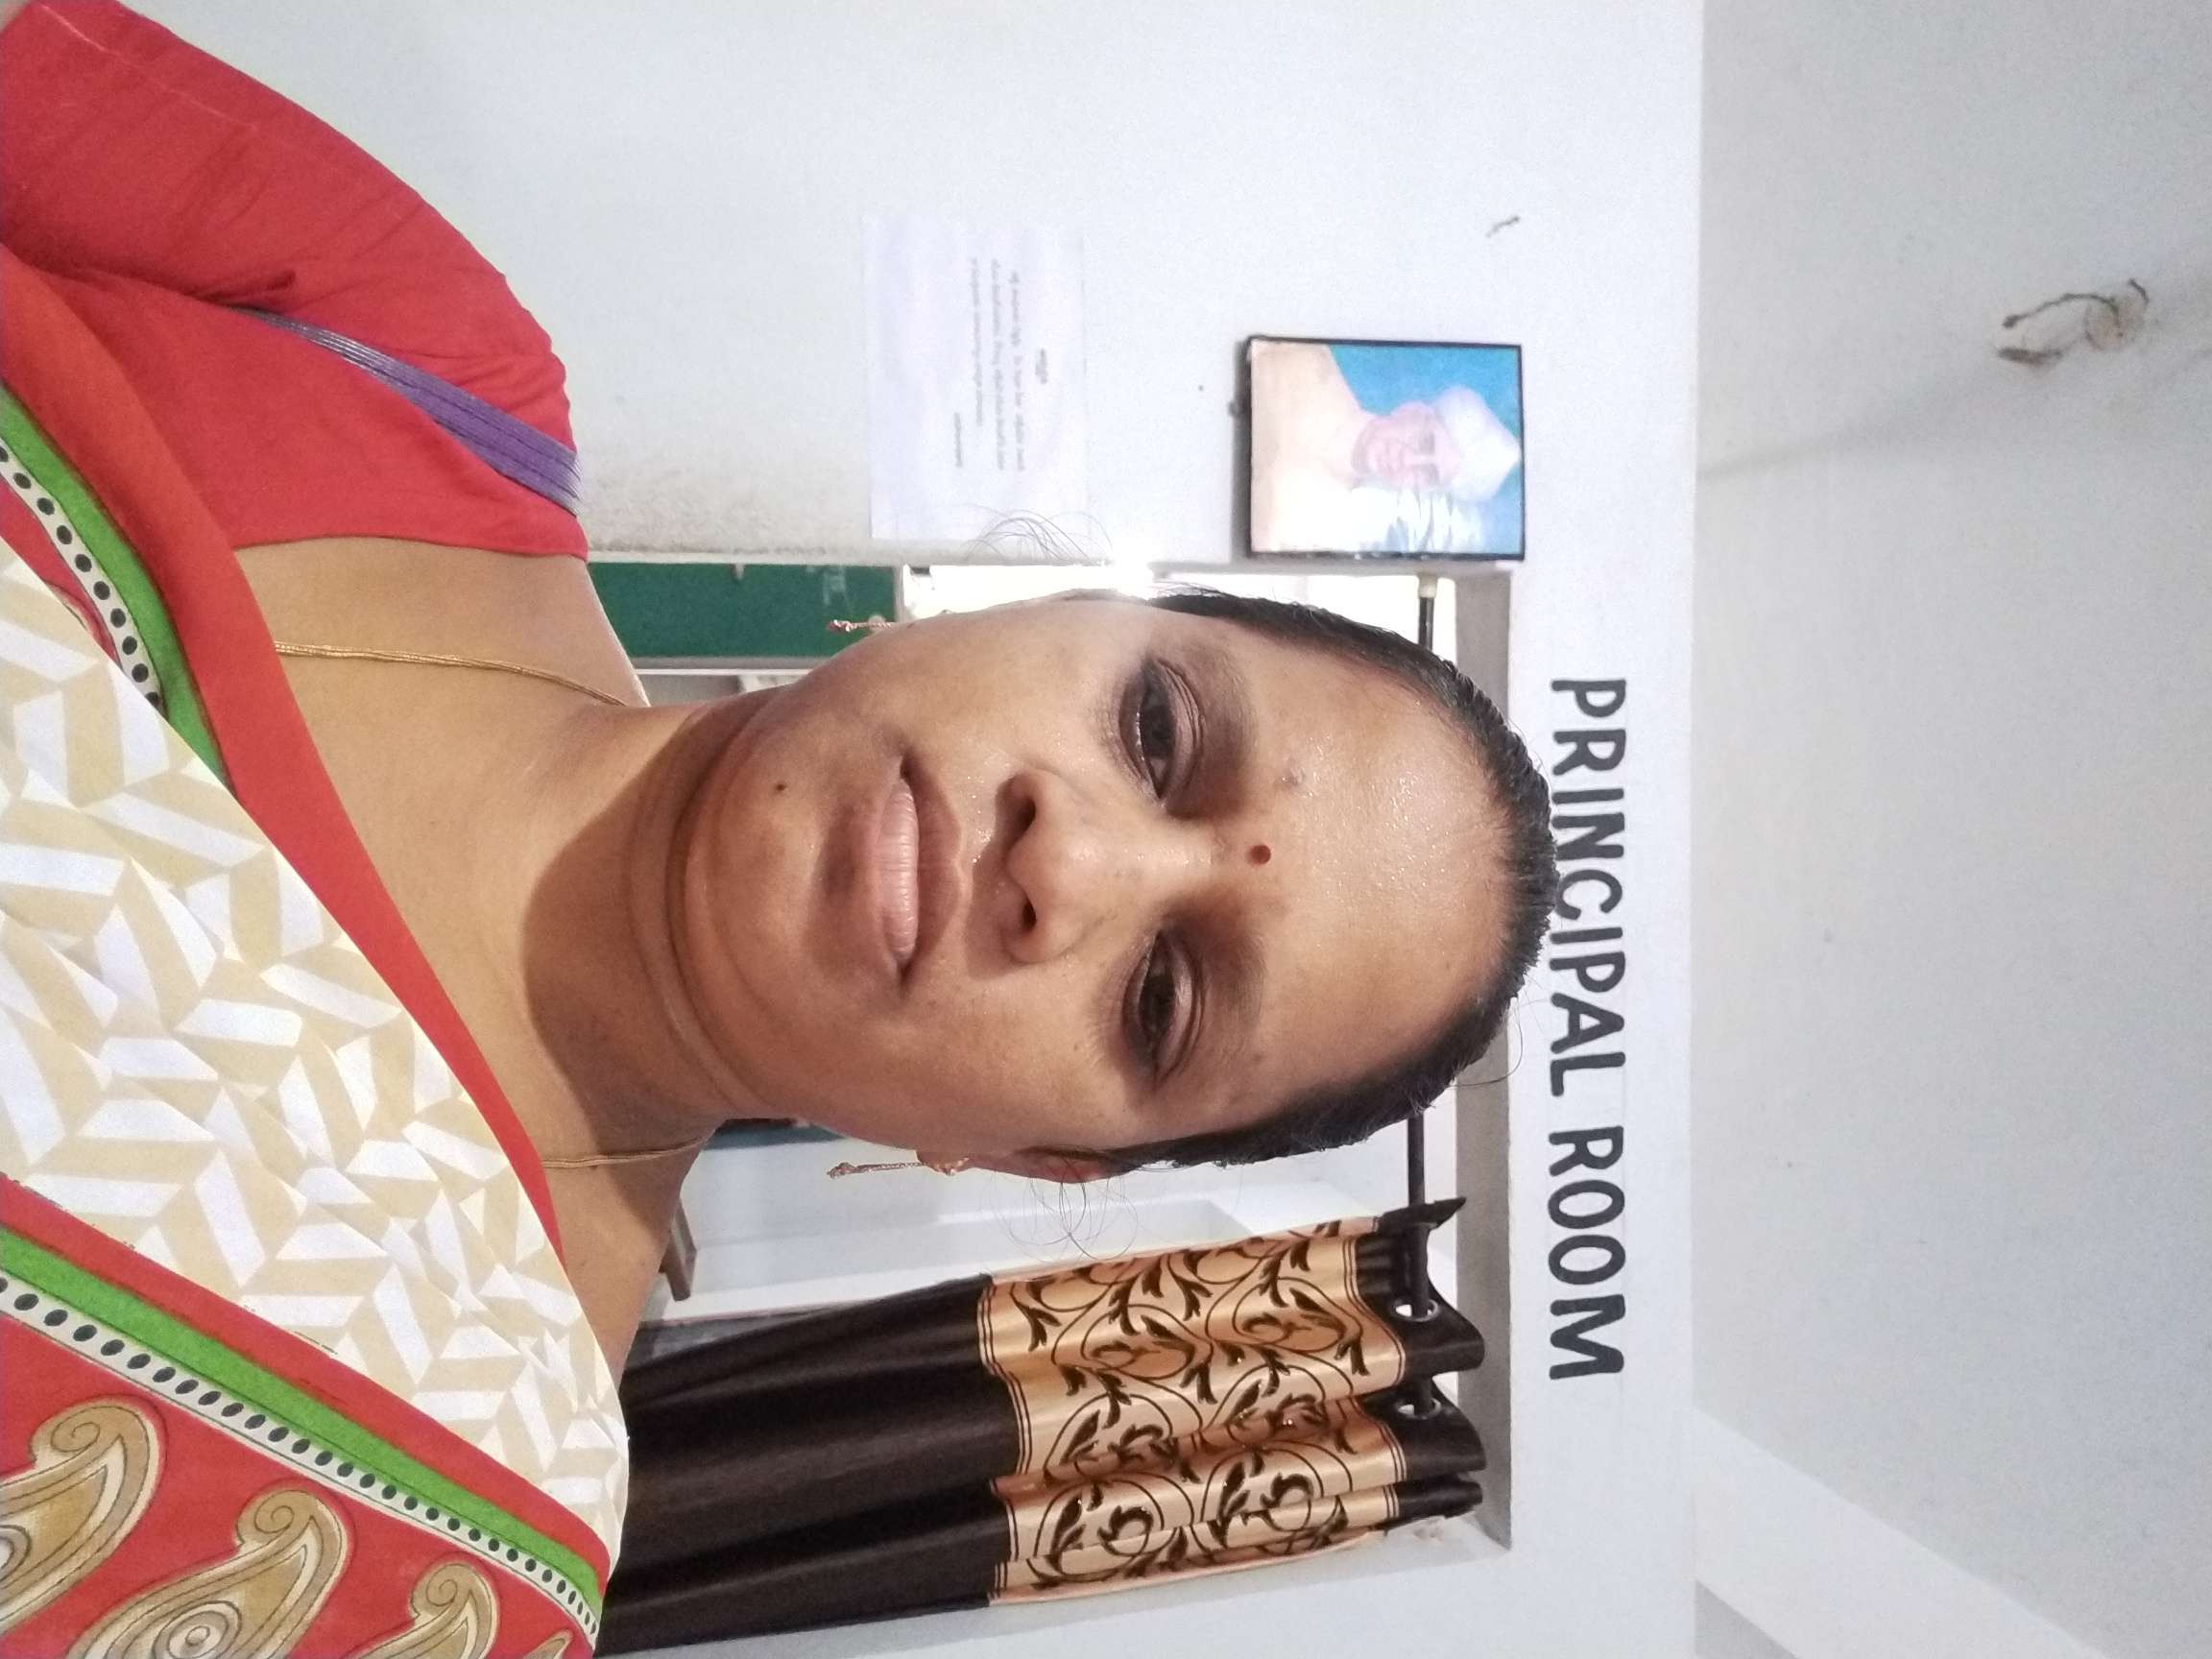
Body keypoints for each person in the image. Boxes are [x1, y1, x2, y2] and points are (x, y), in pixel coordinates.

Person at [0, 4, 1555, 1652]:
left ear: (1029, 1159)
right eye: (1156, 731)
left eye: (1160, 997)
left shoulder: (430, 1537)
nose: (1070, 864)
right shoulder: (413, 357)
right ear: (1045, 603)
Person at [1247, 337, 1523, 553]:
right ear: (1412, 411)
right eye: (1424, 443)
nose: (1409, 461)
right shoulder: (1308, 366)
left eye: (1429, 474)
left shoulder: (1319, 528)